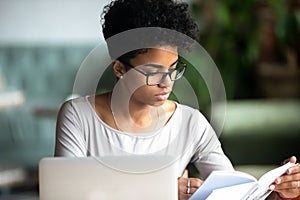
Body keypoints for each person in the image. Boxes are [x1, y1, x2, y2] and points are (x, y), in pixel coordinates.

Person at [54, 0, 300, 199]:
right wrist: (163, 190)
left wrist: (277, 192)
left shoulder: (190, 123)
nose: (167, 82)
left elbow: (233, 192)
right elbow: (65, 192)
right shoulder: (78, 116)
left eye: (173, 68)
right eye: (153, 73)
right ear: (119, 69)